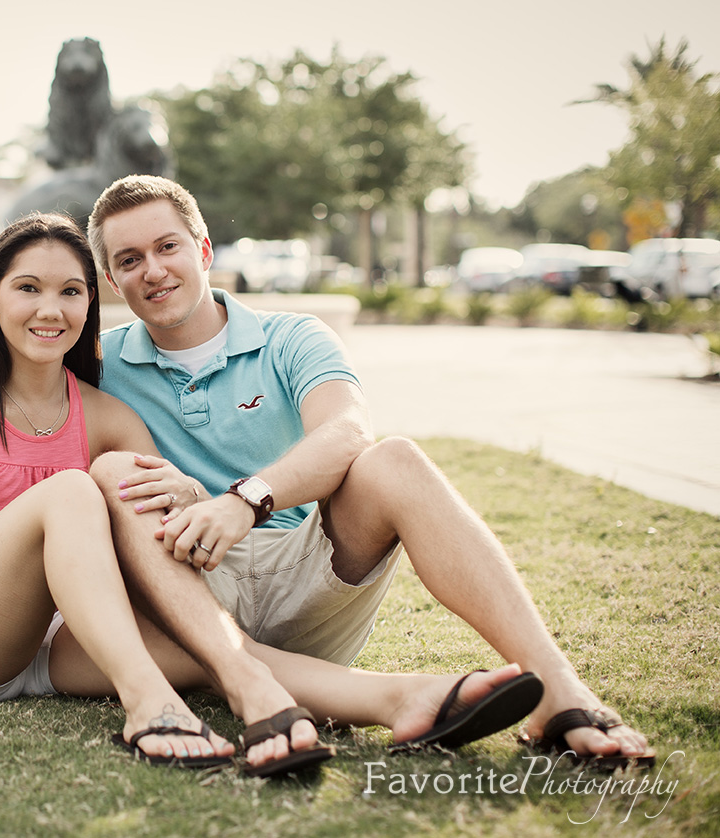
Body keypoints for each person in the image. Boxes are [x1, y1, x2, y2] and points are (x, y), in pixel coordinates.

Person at [0, 212, 545, 778]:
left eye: (71, 292)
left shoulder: (107, 414)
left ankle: (405, 699)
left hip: (62, 641)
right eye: (29, 288)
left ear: (90, 307)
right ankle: (148, 706)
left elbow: (154, 543)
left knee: (214, 645)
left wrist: (188, 489)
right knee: (76, 491)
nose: (52, 309)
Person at [85, 175, 655, 771]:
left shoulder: (292, 336)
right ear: (111, 279)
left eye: (167, 247)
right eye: (129, 259)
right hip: (191, 589)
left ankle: (558, 689)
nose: (152, 270)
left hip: (309, 581)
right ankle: (245, 675)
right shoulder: (100, 363)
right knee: (113, 471)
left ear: (203, 250)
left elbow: (347, 432)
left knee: (394, 459)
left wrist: (243, 500)